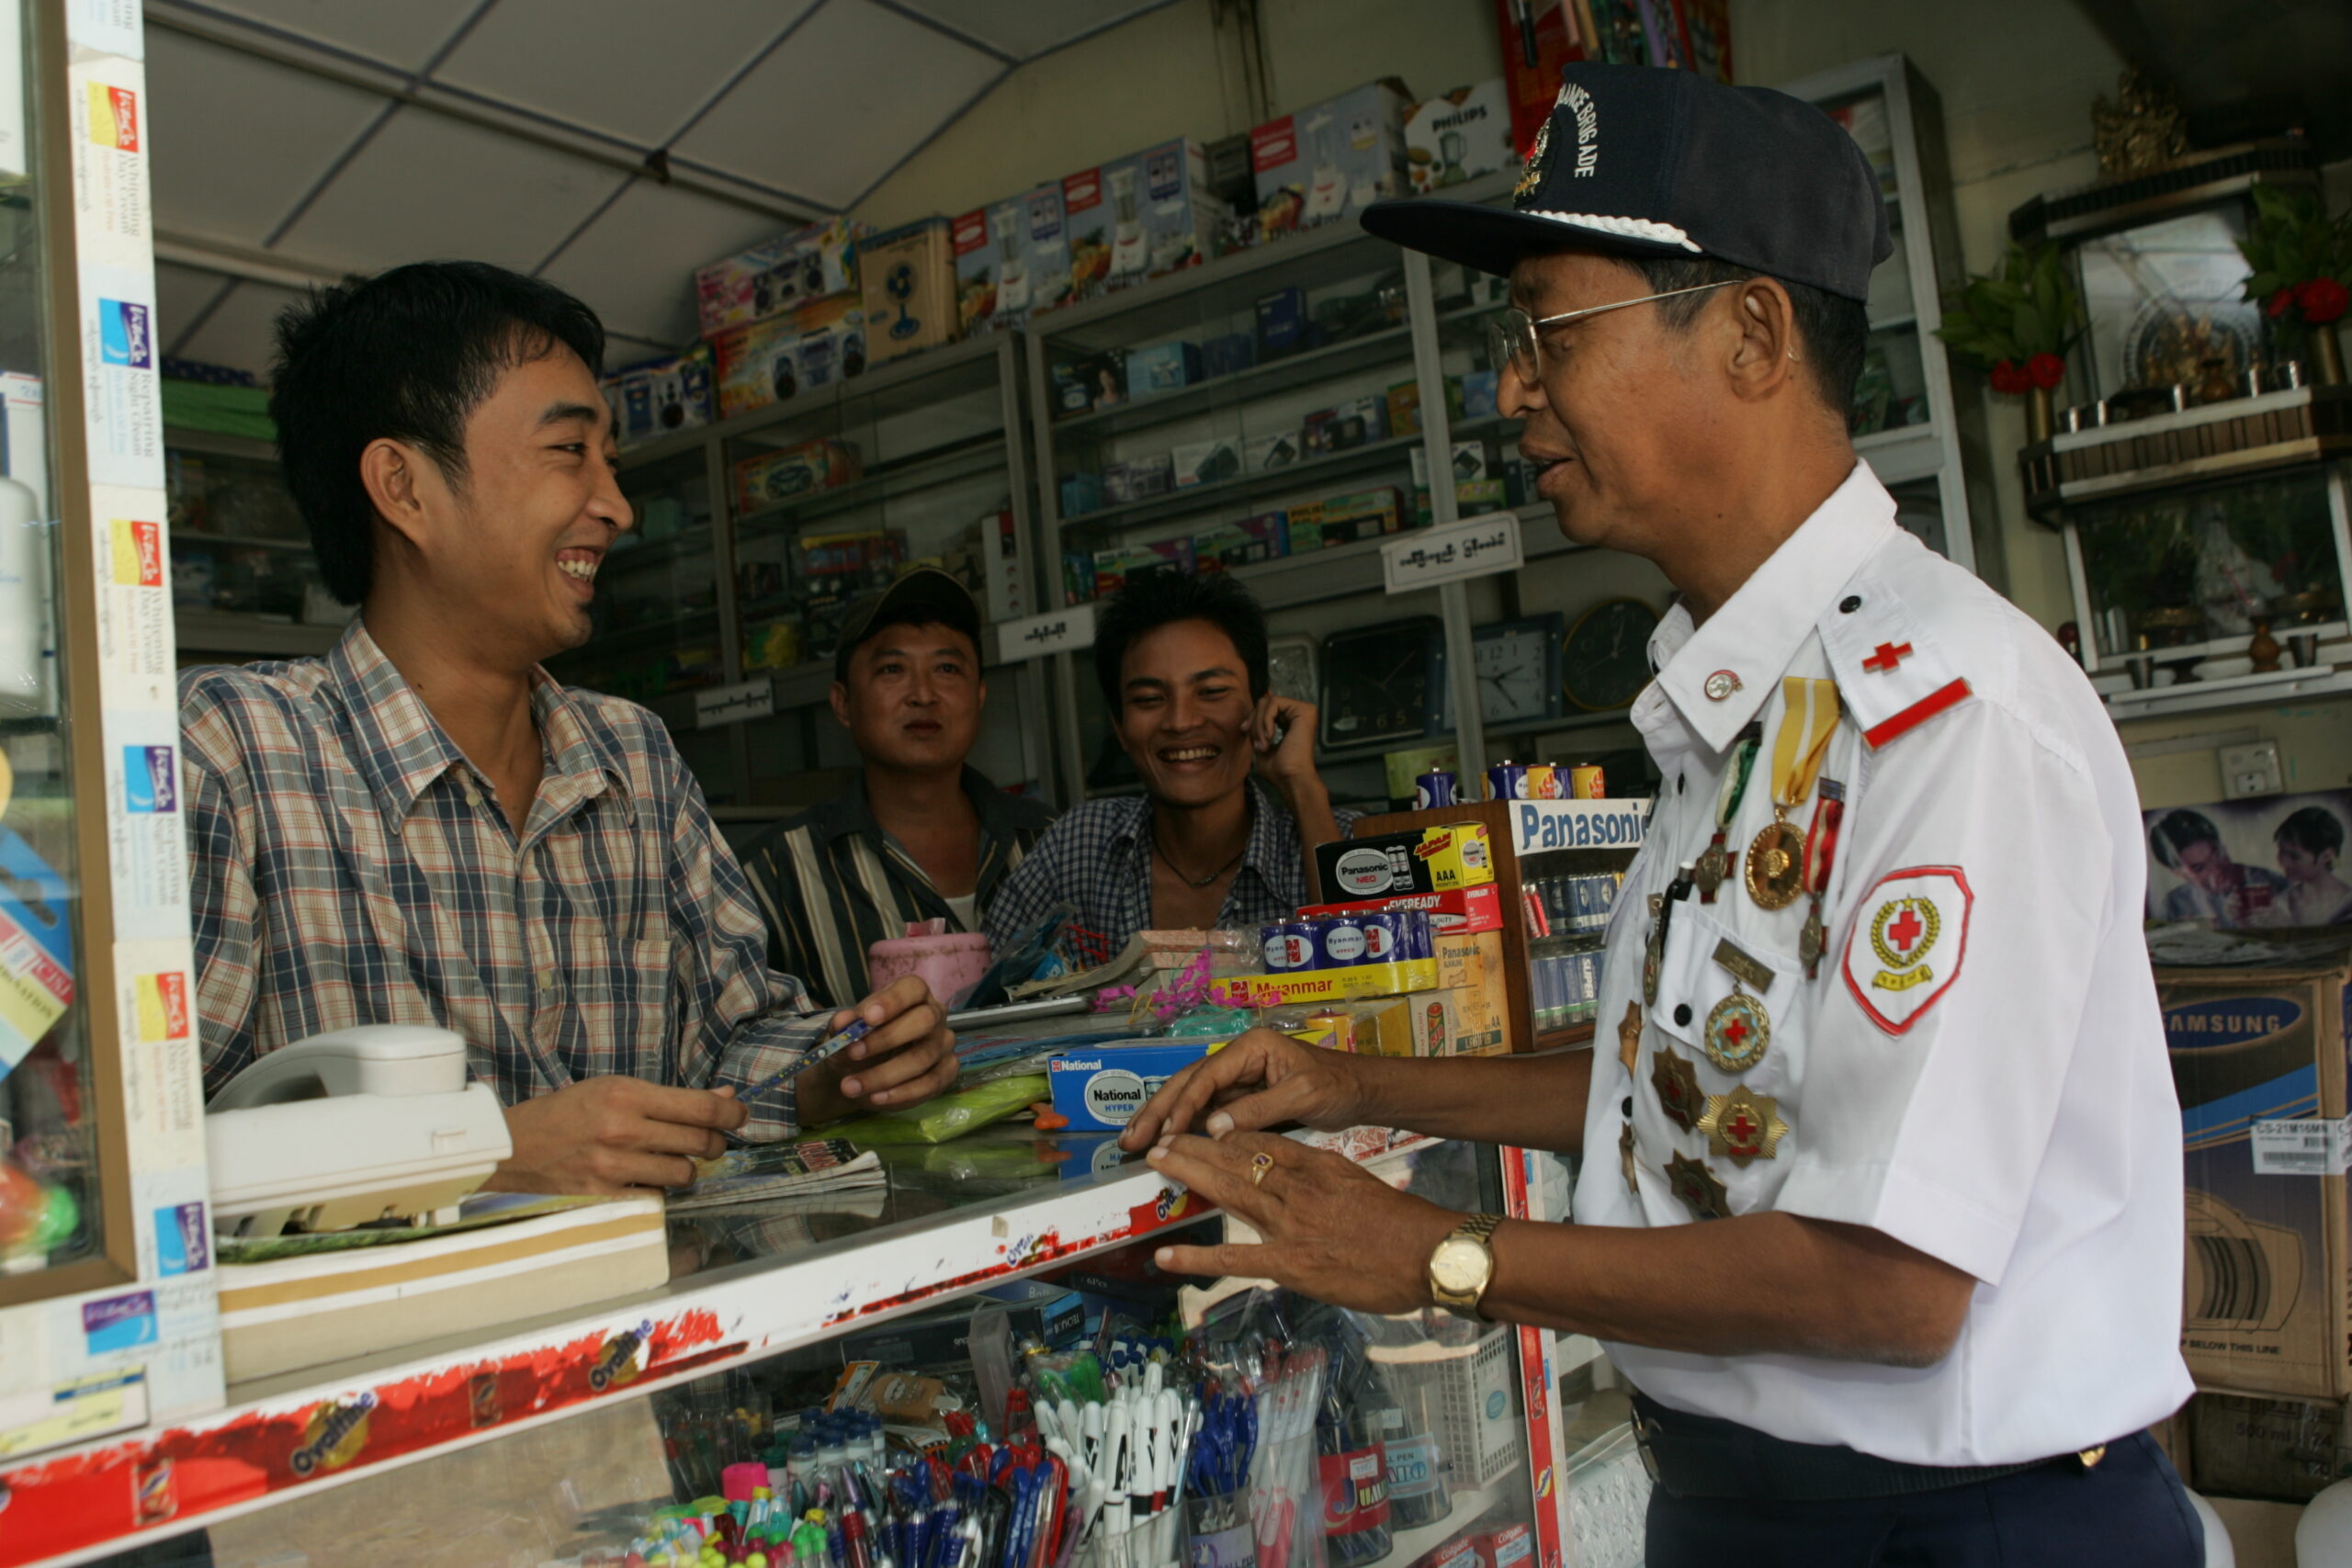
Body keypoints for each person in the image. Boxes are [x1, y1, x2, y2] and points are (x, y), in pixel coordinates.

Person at [1122, 64, 2198, 1566]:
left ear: (1750, 333)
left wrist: (1438, 1256)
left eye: (1549, 330)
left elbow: (1894, 1288)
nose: (1512, 390)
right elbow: (1682, 1087)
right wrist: (1349, 1077)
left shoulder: (1947, 714)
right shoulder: (1745, 704)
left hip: (1956, 1527)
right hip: (1749, 1503)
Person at [181, 262, 957, 1196]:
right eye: (567, 453)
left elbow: (732, 1037)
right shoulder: (239, 754)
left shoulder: (629, 752)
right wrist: (485, 1155)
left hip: (652, 1330)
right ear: (404, 486)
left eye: (612, 465)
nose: (616, 507)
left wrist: (840, 1067)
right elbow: (153, 1145)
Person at [985, 572, 1352, 959]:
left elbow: (1384, 964)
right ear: (1120, 728)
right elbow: (984, 998)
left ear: (1263, 708)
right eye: (1148, 699)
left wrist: (1303, 788)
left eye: (1211, 693)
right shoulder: (1078, 847)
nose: (1181, 721)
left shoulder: (1337, 840)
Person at [736, 569, 1055, 1008]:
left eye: (946, 668)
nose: (923, 694)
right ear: (843, 703)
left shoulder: (1051, 843)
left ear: (979, 695)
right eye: (892, 669)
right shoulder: (773, 875)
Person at [2150, 807, 2289, 925]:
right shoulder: (2175, 904)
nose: (2215, 869)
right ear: (2178, 874)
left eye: (2216, 855)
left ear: (2223, 846)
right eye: (2199, 868)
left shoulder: (2273, 883)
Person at [2256, 804, 2352, 925]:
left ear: (2327, 855)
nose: (2283, 862)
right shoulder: (2283, 901)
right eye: (2281, 852)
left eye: (2294, 856)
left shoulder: (2347, 903)